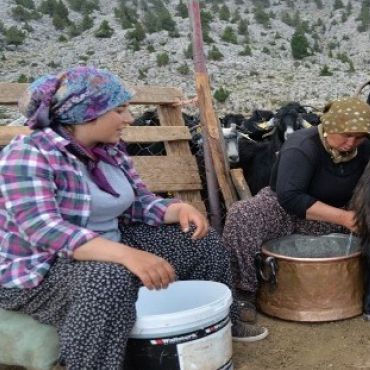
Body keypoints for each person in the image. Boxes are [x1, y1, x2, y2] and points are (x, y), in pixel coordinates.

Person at [0, 66, 266, 369]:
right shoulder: (27, 154)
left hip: (111, 243)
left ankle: (220, 326)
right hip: (41, 270)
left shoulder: (109, 151)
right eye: (121, 110)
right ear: (87, 112)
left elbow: (137, 204)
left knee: (200, 243)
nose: (128, 119)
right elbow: (45, 230)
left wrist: (176, 209)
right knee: (108, 278)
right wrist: (127, 255)